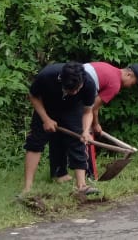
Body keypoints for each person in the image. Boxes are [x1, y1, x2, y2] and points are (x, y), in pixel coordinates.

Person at [49, 62, 138, 182]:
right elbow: (93, 107)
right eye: (133, 83)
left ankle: (58, 173)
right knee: (87, 135)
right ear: (129, 75)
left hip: (69, 90)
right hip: (76, 91)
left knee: (61, 133)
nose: (130, 86)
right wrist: (95, 124)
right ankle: (90, 176)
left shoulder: (108, 68)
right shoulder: (115, 84)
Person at [21, 62, 99, 196]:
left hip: (73, 109)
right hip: (46, 107)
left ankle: (81, 186)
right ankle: (27, 188)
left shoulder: (89, 84)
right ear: (60, 80)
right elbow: (33, 96)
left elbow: (87, 112)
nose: (74, 92)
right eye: (70, 89)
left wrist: (86, 131)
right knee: (35, 142)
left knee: (78, 141)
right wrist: (46, 119)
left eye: (77, 89)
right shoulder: (47, 76)